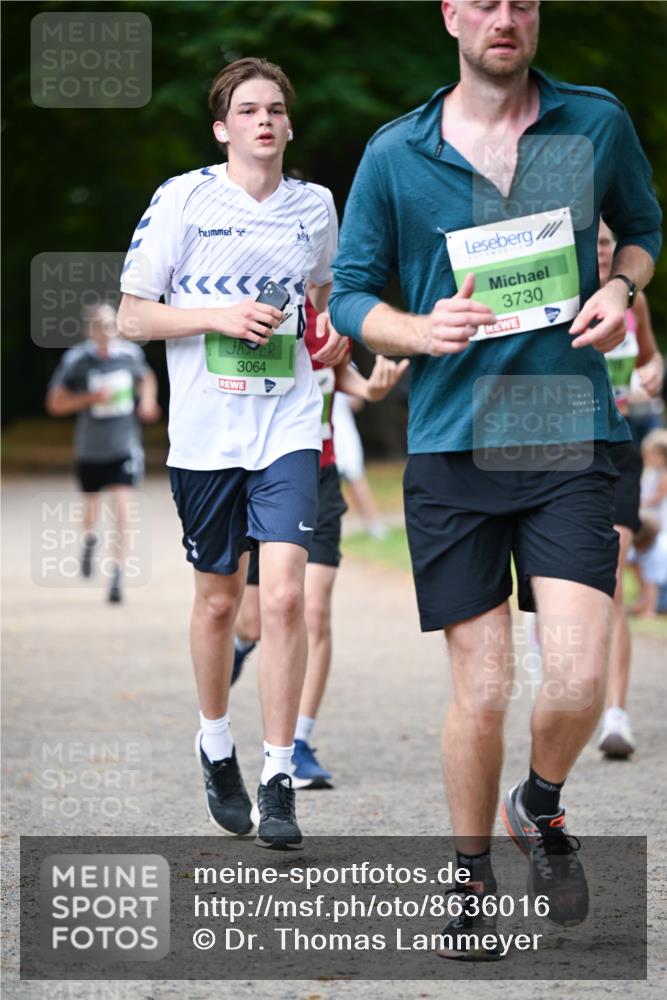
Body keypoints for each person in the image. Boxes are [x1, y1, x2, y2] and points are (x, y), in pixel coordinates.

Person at [329, 0, 662, 958]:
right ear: (451, 16)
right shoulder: (398, 151)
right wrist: (415, 330)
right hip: (450, 443)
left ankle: (540, 804)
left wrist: (619, 286)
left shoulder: (592, 120)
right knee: (480, 691)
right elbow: (352, 289)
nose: (504, 17)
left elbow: (639, 226)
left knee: (576, 675)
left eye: (522, 1)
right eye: (484, 1)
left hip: (567, 435)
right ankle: (468, 879)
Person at [117, 57, 347, 850]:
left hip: (285, 426)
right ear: (223, 127)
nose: (263, 121)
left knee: (283, 596)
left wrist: (334, 329)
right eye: (247, 110)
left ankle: (278, 774)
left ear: (287, 124)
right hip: (206, 434)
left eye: (275, 110)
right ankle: (215, 743)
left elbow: (320, 298)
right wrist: (216, 317)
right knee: (220, 600)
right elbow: (132, 318)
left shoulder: (315, 208)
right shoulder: (183, 198)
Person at [232, 299, 408, 788]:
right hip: (264, 474)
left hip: (321, 477)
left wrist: (367, 385)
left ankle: (299, 742)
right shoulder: (263, 304)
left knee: (311, 610)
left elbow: (338, 375)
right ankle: (242, 645)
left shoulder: (333, 313)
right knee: (252, 618)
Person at [595, 221, 664, 758]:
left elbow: (648, 362)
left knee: (615, 576)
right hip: (562, 450)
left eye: (606, 244)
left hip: (618, 448)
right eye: (591, 242)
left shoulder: (630, 302)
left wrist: (653, 373)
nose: (599, 252)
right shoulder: (556, 297)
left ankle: (615, 715)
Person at [45, 302, 160, 603]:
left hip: (125, 447)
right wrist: (90, 398)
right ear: (90, 330)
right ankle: (89, 539)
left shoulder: (130, 355)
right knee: (91, 508)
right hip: (91, 449)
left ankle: (117, 575)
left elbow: (147, 378)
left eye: (112, 325)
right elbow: (55, 403)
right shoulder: (77, 361)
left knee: (123, 510)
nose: (107, 331)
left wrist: (148, 401)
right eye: (101, 326)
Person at [333, 391, 388, 539]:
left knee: (356, 480)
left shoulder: (345, 366)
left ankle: (373, 525)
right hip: (320, 435)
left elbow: (356, 403)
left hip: (343, 434)